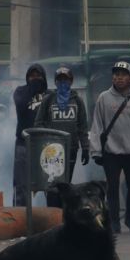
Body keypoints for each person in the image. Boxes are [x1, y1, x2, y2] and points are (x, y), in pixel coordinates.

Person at [89, 61, 130, 234]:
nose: (119, 77)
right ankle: (114, 221)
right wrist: (96, 151)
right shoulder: (104, 98)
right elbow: (97, 125)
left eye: (123, 74)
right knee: (112, 188)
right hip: (111, 152)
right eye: (116, 74)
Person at [33, 66, 91, 207]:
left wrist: (85, 147)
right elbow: (38, 122)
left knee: (65, 184)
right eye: (60, 79)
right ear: (55, 82)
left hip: (71, 148)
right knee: (52, 184)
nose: (63, 82)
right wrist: (49, 136)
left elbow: (83, 126)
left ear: (71, 81)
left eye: (66, 79)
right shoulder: (49, 99)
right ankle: (52, 215)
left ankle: (63, 215)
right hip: (52, 151)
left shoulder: (77, 101)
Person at [12, 64, 50, 207]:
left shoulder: (50, 94)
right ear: (27, 78)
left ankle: (53, 215)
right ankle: (20, 215)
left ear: (44, 78)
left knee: (50, 183)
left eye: (38, 76)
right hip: (24, 143)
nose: (35, 79)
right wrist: (33, 88)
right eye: (32, 76)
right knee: (21, 183)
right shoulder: (20, 92)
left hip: (46, 144)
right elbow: (21, 106)